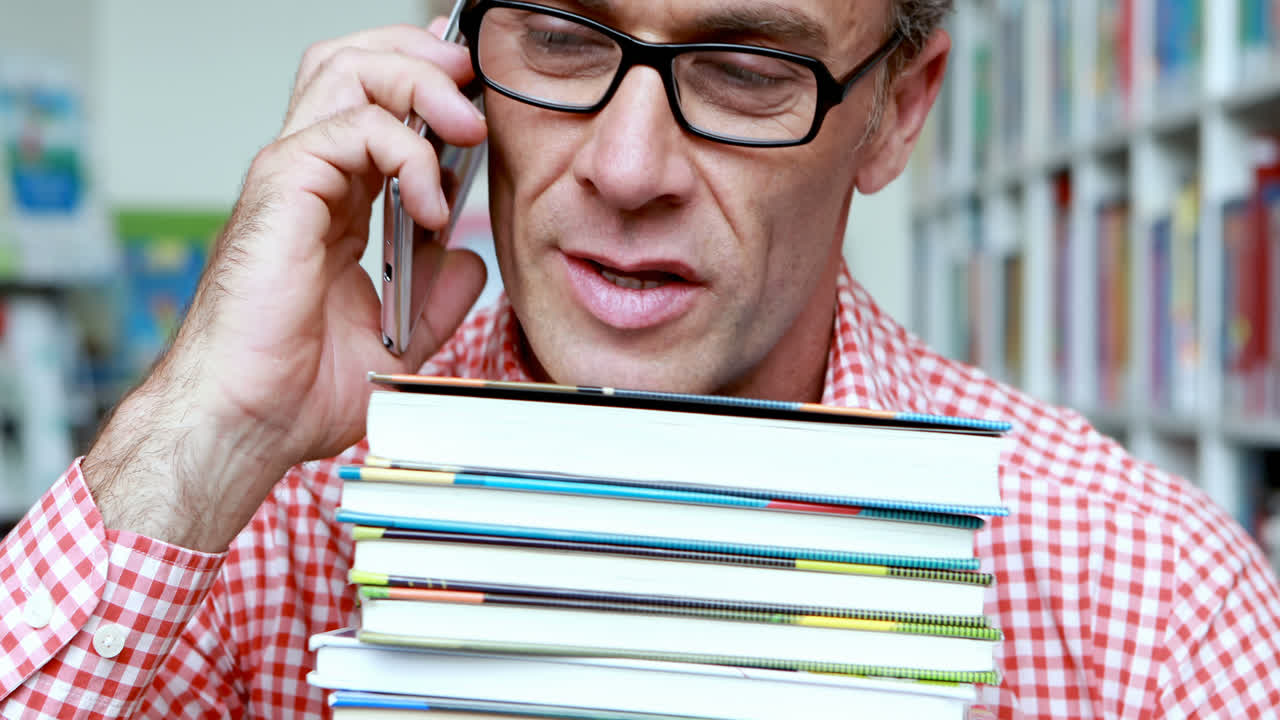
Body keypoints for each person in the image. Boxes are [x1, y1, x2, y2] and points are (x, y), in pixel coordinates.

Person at [3, 0, 1279, 717]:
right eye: (558, 35)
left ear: (895, 111)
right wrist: (208, 423)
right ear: (454, 61)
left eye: (740, 70)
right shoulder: (255, 534)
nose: (624, 168)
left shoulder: (1153, 605)